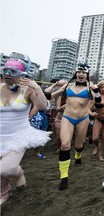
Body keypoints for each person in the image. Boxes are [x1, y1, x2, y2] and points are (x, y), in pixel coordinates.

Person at [0, 57, 51, 205]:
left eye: (12, 71)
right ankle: (4, 192)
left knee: (5, 169)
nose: (7, 73)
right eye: (5, 70)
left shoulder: (27, 90)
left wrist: (37, 88)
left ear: (21, 74)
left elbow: (43, 107)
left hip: (18, 136)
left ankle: (18, 172)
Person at [48, 63, 100, 190]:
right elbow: (50, 95)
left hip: (83, 118)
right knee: (65, 145)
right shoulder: (68, 86)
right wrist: (51, 86)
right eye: (79, 72)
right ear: (76, 73)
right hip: (67, 117)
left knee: (78, 145)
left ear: (87, 74)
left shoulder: (89, 88)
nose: (81, 74)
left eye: (83, 72)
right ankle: (64, 177)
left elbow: (98, 102)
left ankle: (78, 155)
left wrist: (96, 90)